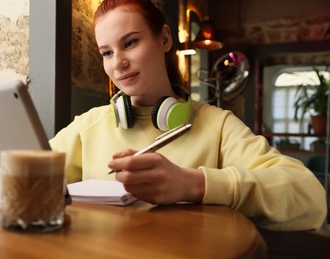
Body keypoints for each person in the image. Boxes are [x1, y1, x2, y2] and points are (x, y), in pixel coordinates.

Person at [49, 0, 327, 231]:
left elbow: (310, 199)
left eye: (131, 42)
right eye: (107, 52)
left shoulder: (218, 126)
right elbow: (21, 181)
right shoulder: (87, 127)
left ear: (165, 39)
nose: (118, 62)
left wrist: (195, 184)